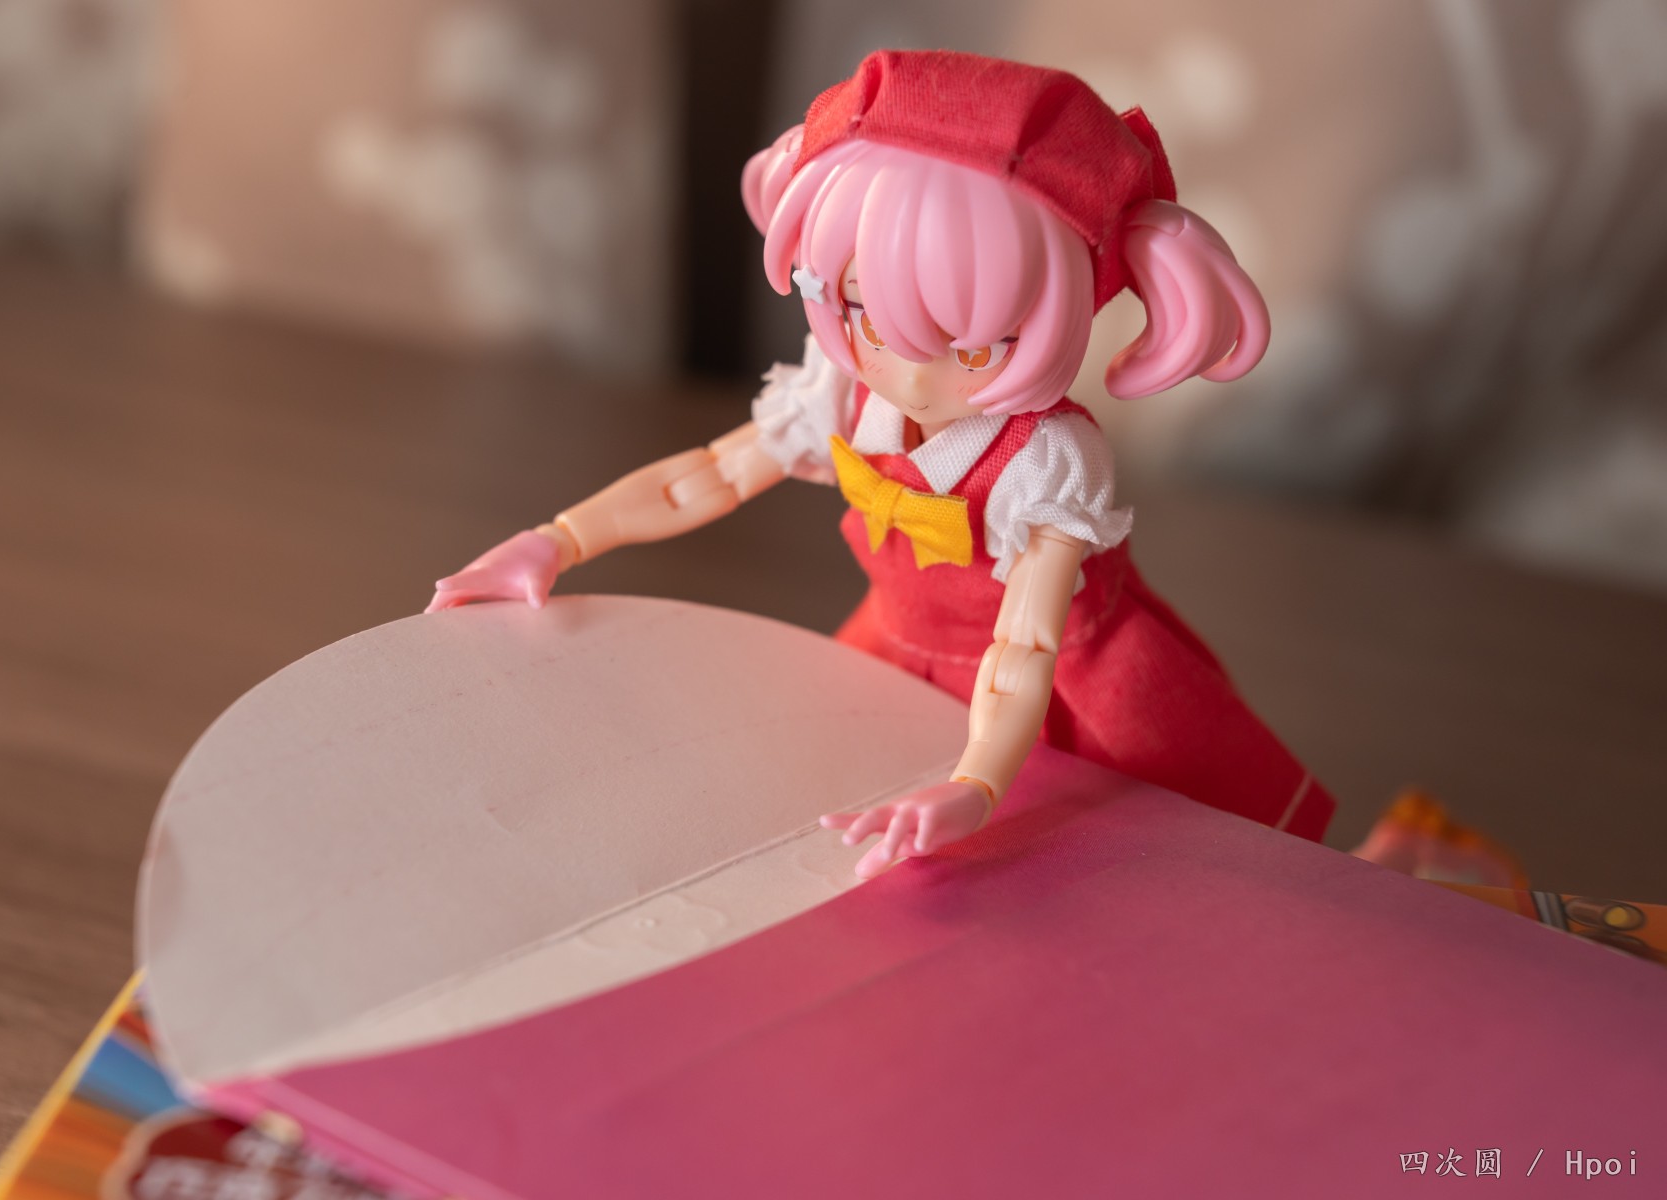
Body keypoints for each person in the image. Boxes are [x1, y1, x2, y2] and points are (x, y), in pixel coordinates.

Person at [427, 50, 1336, 877]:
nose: (907, 371)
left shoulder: (1046, 459)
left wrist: (977, 784)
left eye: (971, 345)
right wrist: (557, 541)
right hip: (896, 648)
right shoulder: (843, 391)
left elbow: (1024, 644)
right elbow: (705, 474)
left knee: (1177, 875)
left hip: (1067, 689)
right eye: (863, 310)